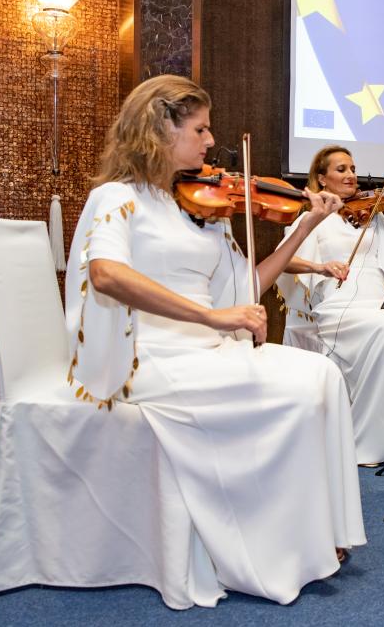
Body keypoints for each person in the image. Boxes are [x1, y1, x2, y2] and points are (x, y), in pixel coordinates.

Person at [64, 75, 365, 606]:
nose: (209, 143)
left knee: (318, 373)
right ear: (158, 129)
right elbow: (108, 275)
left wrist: (304, 225)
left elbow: (247, 286)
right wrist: (211, 317)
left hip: (206, 346)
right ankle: (261, 542)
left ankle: (319, 532)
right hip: (150, 355)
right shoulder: (116, 197)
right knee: (291, 392)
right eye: (199, 129)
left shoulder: (196, 205)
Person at [276, 146, 384, 465]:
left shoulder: (372, 214)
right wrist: (321, 267)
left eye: (352, 168)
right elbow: (285, 259)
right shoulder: (313, 218)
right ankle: (372, 440)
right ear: (321, 179)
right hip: (337, 306)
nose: (351, 175)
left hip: (375, 300)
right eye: (341, 169)